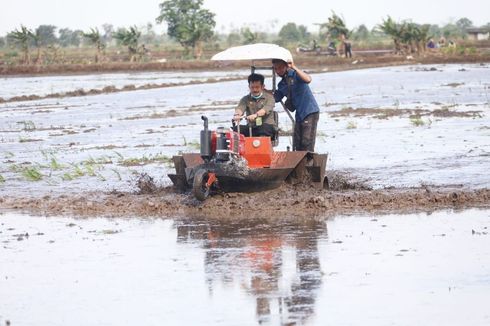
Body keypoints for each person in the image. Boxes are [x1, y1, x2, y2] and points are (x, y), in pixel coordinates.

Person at [272, 59, 320, 151]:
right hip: (299, 115)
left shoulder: (296, 74)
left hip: (309, 111)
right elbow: (276, 97)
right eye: (276, 69)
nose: (278, 71)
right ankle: (299, 163)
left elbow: (308, 79)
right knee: (297, 143)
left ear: (286, 66)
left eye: (281, 67)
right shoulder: (281, 84)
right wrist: (263, 90)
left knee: (307, 141)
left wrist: (294, 67)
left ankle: (308, 163)